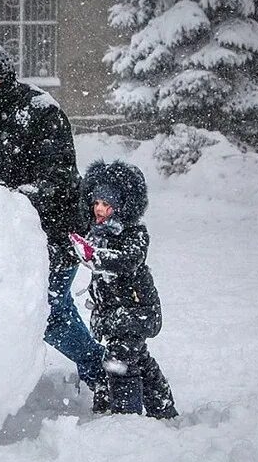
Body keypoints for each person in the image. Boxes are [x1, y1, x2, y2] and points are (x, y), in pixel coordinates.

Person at [0, 42, 107, 399]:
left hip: (53, 229)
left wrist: (12, 200)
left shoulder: (40, 110)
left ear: (2, 76)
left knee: (49, 312)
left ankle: (103, 373)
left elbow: (59, 178)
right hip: (2, 233)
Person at [70, 160, 177, 418]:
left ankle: (125, 418)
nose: (99, 209)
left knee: (120, 363)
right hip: (115, 314)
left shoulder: (135, 234)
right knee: (139, 359)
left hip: (136, 312)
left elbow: (127, 261)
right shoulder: (97, 234)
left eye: (106, 205)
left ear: (121, 207)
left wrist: (97, 257)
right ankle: (163, 409)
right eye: (96, 203)